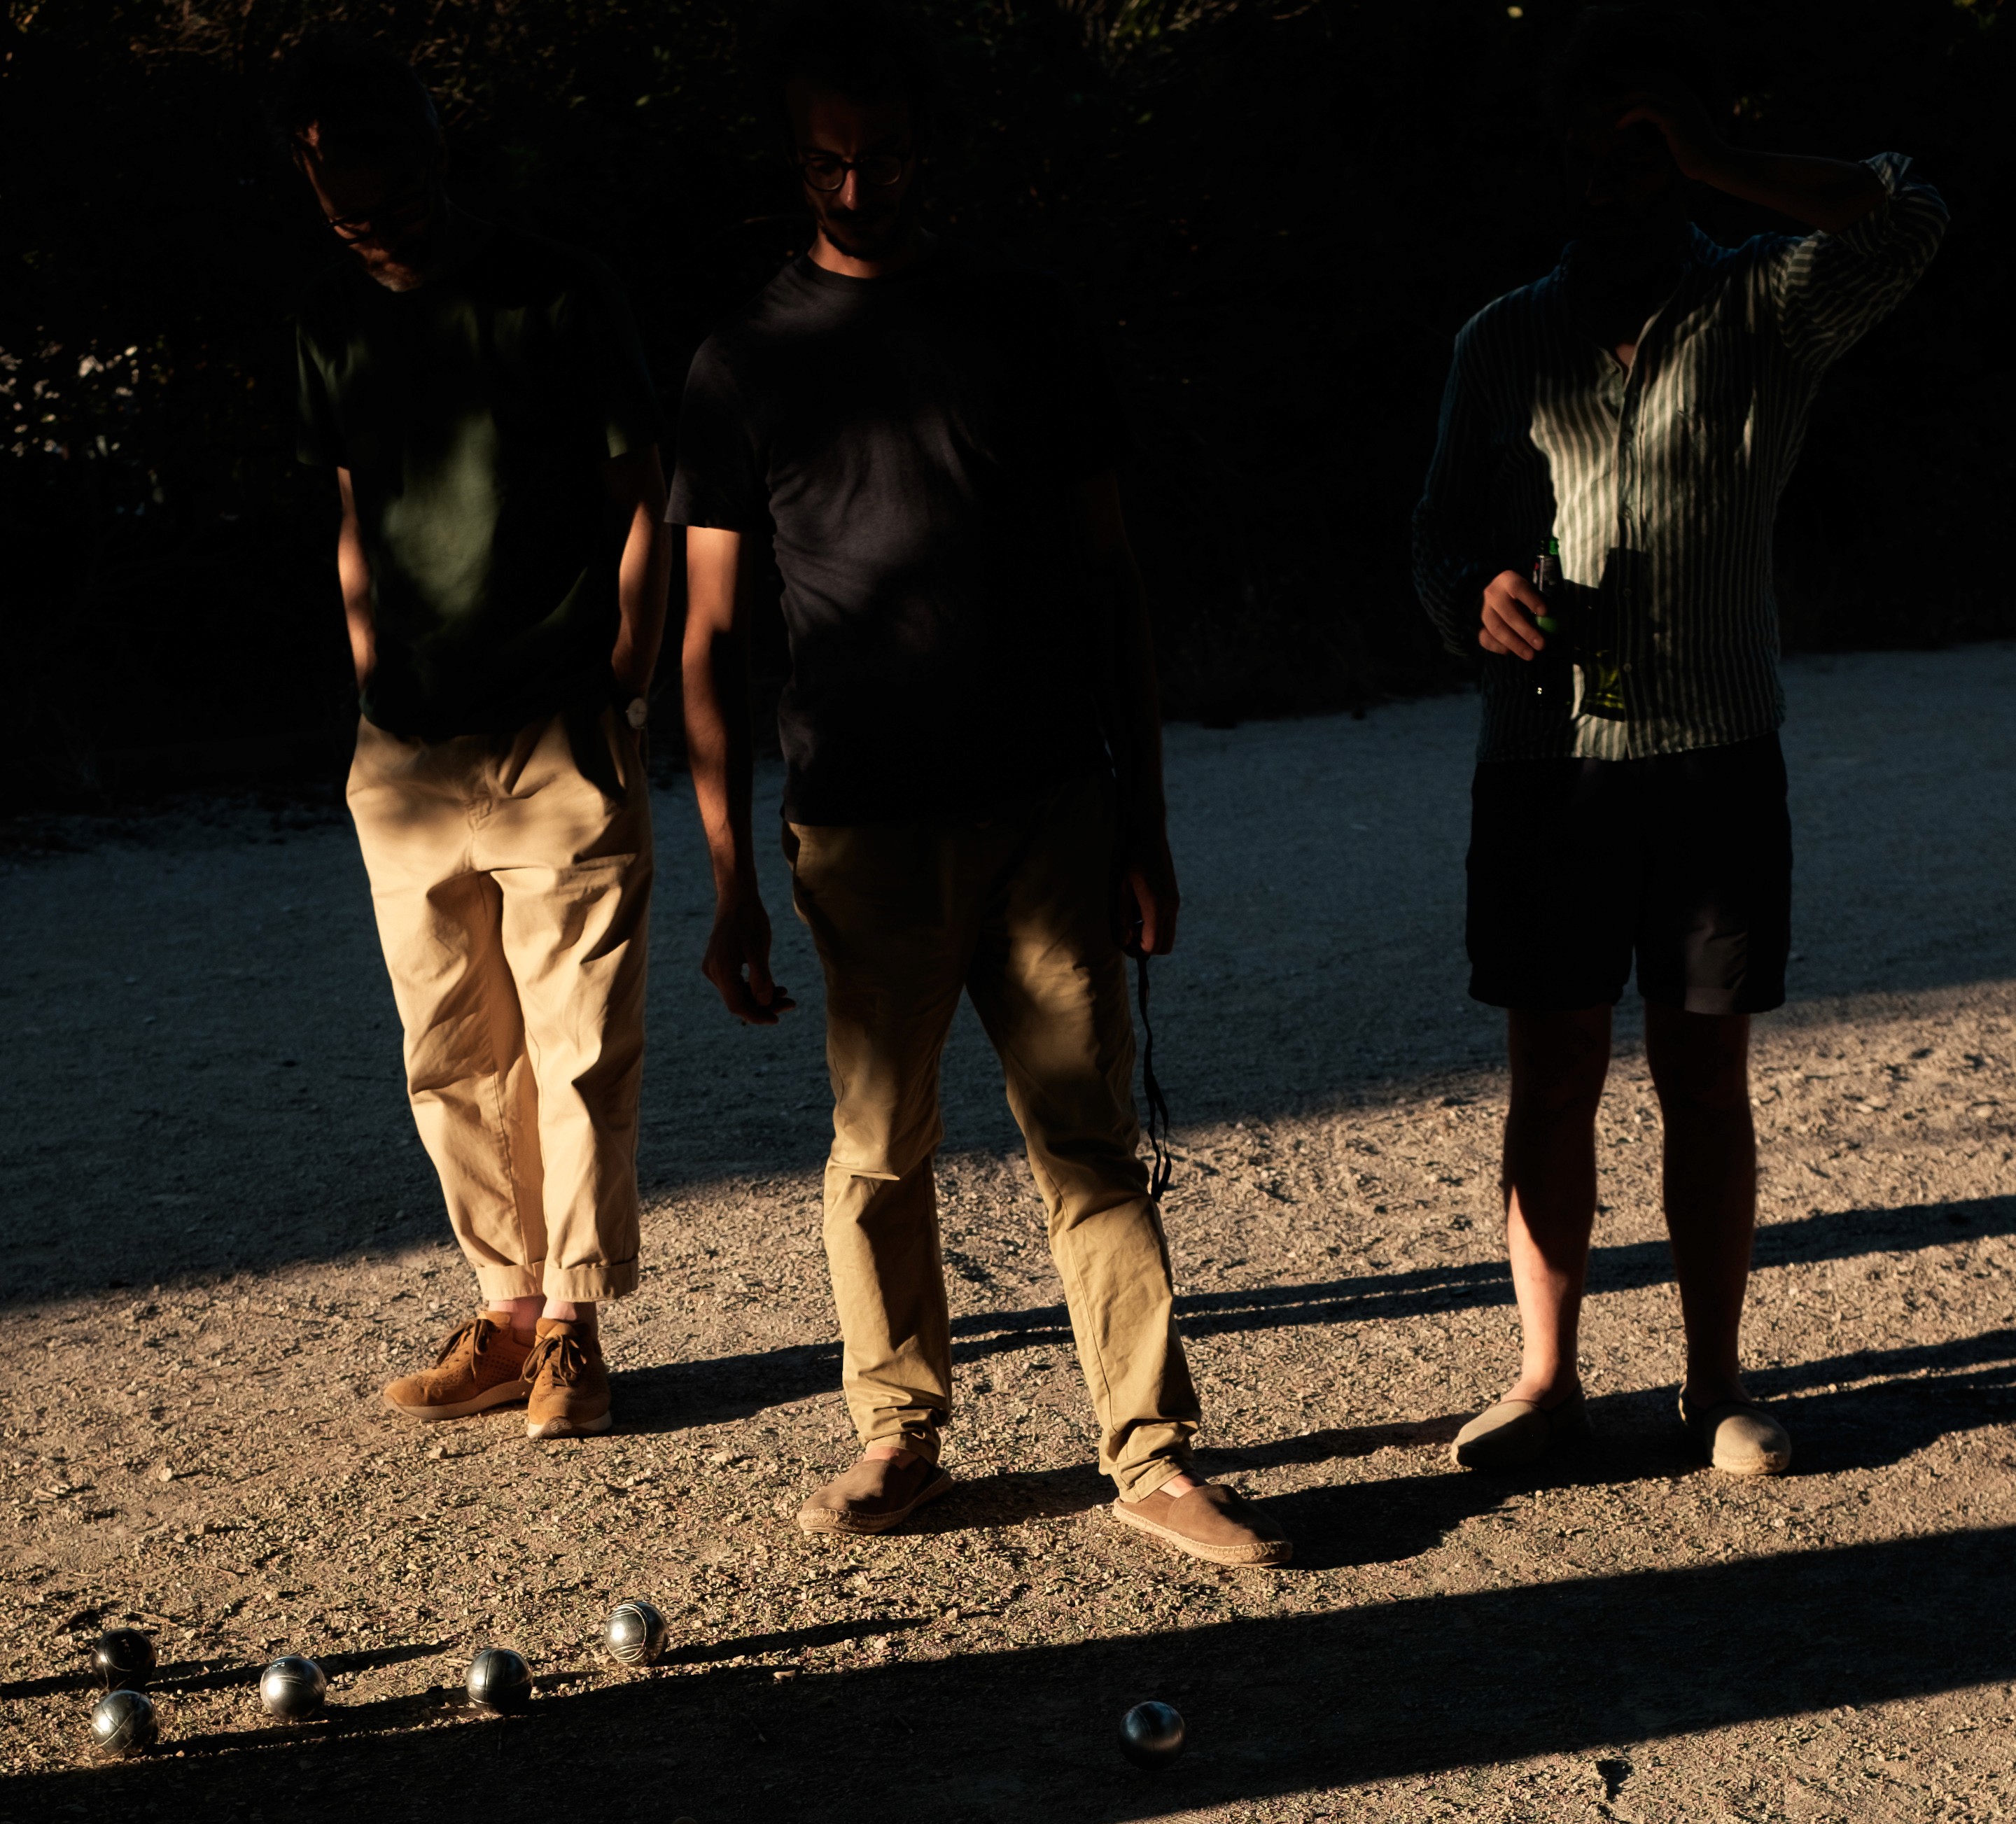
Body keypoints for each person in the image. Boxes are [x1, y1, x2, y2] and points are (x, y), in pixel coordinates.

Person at [671, 0, 1287, 1564]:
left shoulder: (1025, 327)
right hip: (860, 824)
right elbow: (709, 637)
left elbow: (1110, 587)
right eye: (827, 161)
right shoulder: (744, 365)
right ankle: (900, 1433)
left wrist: (1143, 818)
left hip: (1044, 808)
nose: (857, 189)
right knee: (878, 1149)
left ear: (928, 152)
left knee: (1083, 1142)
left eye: (880, 158)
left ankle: (1149, 1454)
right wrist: (731, 874)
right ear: (794, 161)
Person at [1412, 4, 1945, 1480]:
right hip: (1546, 760)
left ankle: (1715, 1386)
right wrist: (1475, 597)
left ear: (1694, 145)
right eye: (1592, 144)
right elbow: (1440, 534)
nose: (1614, 172)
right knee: (1554, 1071)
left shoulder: (1768, 306)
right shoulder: (1502, 340)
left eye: (1647, 141)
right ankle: (1546, 1380)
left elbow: (1910, 216)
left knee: (1706, 1076)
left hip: (1717, 754)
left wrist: (1719, 157)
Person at [278, 31, 672, 1440]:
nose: (362, 223)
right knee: (447, 1044)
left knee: (576, 1044)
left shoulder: (557, 293)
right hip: (408, 745)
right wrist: (368, 661)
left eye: (380, 192)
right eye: (335, 200)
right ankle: (506, 1310)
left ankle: (574, 1322)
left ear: (434, 156)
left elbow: (644, 487)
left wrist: (626, 677)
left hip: (553, 719)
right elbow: (350, 508)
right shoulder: (331, 317)